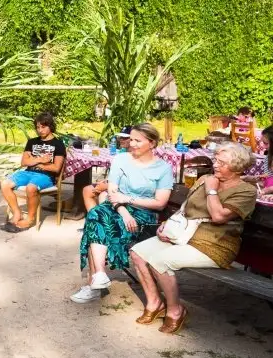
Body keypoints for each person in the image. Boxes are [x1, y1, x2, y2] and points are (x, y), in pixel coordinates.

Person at [130, 142, 257, 333]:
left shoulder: (246, 191)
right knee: (137, 253)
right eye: (216, 160)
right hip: (184, 236)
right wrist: (167, 224)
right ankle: (155, 303)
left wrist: (212, 190)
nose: (215, 165)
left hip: (215, 245)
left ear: (237, 167)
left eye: (222, 163)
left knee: (160, 261)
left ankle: (175, 311)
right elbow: (186, 209)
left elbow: (219, 216)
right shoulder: (204, 178)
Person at [71, 123, 174, 304]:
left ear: (152, 143)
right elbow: (112, 191)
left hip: (144, 216)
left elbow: (160, 203)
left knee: (95, 219)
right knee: (97, 215)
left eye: (137, 140)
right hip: (118, 208)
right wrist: (123, 210)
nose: (132, 144)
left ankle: (95, 281)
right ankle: (100, 275)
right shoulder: (121, 159)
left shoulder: (163, 169)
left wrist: (127, 200)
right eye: (131, 139)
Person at [0, 113, 67, 232]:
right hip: (27, 172)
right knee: (4, 184)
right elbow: (24, 162)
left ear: (50, 126)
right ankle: (17, 214)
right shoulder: (32, 142)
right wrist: (41, 160)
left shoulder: (58, 144)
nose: (40, 130)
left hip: (46, 176)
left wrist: (35, 162)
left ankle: (29, 219)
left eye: (43, 127)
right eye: (37, 127)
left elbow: (56, 168)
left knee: (31, 188)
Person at [82, 126, 133, 211]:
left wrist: (106, 186)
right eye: (120, 137)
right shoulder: (123, 151)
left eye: (125, 137)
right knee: (87, 190)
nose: (121, 139)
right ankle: (95, 219)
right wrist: (105, 181)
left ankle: (99, 219)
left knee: (96, 192)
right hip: (113, 183)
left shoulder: (134, 156)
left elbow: (128, 180)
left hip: (122, 189)